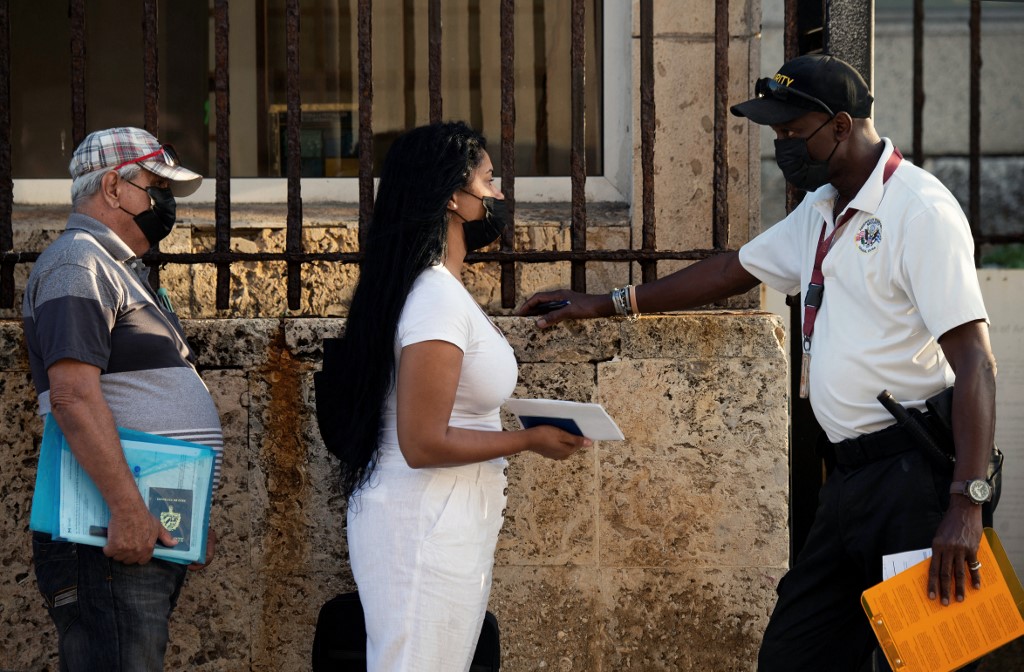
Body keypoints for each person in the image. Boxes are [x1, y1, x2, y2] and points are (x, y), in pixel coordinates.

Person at [518, 54, 998, 671]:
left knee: (935, 662)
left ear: (842, 125)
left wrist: (967, 504)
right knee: (793, 656)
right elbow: (729, 270)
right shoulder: (822, 209)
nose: (783, 148)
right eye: (777, 136)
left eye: (794, 133)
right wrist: (604, 304)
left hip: (916, 481)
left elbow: (975, 363)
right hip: (850, 480)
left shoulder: (920, 212)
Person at [315, 121, 590, 672]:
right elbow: (421, 442)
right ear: (452, 197)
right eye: (489, 181)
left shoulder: (434, 289)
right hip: (423, 522)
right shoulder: (434, 298)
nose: (499, 195)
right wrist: (529, 437)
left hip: (441, 519)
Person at [22, 127, 223, 671]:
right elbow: (73, 397)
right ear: (113, 186)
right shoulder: (77, 262)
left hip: (132, 530)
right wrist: (130, 509)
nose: (164, 204)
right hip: (106, 535)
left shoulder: (116, 270)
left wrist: (181, 523)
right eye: (155, 186)